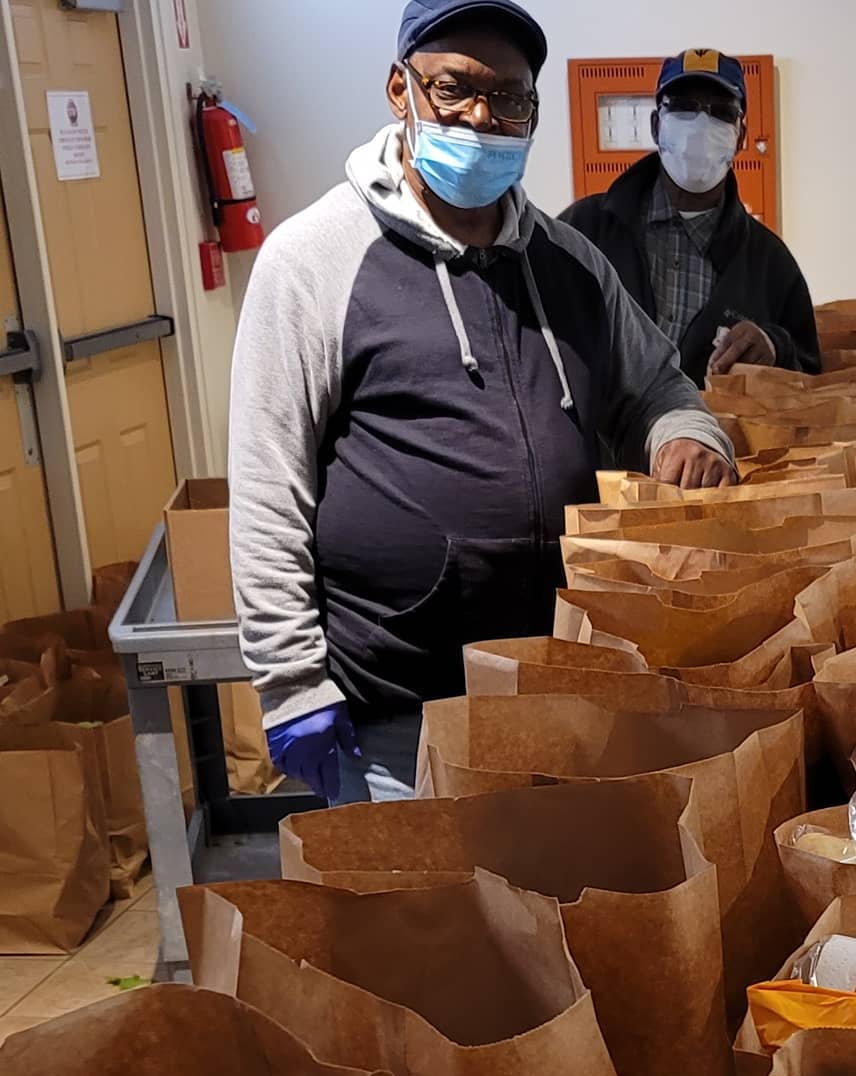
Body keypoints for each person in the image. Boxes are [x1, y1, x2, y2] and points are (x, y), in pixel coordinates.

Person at [228, 0, 735, 807]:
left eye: (509, 97)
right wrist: (292, 687)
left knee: (552, 923)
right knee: (420, 929)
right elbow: (267, 489)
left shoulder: (571, 265)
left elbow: (659, 386)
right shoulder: (313, 260)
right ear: (401, 90)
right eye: (453, 88)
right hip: (396, 718)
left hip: (562, 695)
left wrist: (686, 430)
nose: (480, 116)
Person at [562, 49, 820, 385]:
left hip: (713, 437)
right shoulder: (585, 230)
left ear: (740, 136)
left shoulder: (771, 265)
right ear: (656, 126)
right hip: (595, 437)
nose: (700, 125)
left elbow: (812, 379)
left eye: (721, 112)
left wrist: (776, 348)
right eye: (683, 107)